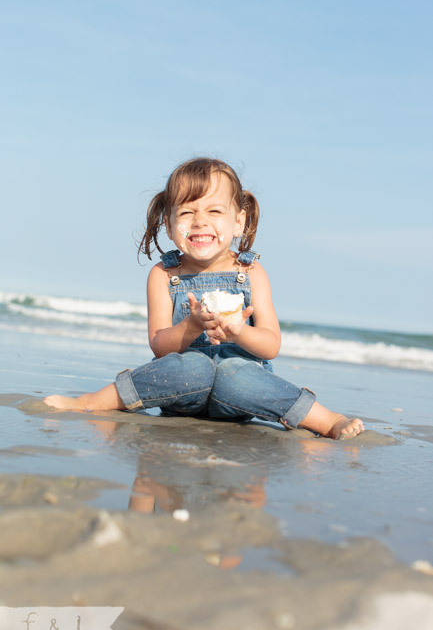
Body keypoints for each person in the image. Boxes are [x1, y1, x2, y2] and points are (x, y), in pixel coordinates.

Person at [45, 158, 364, 440]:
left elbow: (271, 345)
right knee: (193, 366)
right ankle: (91, 402)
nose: (200, 221)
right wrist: (192, 324)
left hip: (237, 393)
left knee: (236, 375)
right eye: (186, 212)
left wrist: (239, 331)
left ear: (238, 221)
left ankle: (328, 421)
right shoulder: (164, 275)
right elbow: (159, 345)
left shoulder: (251, 272)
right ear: (169, 224)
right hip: (183, 391)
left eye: (214, 210)